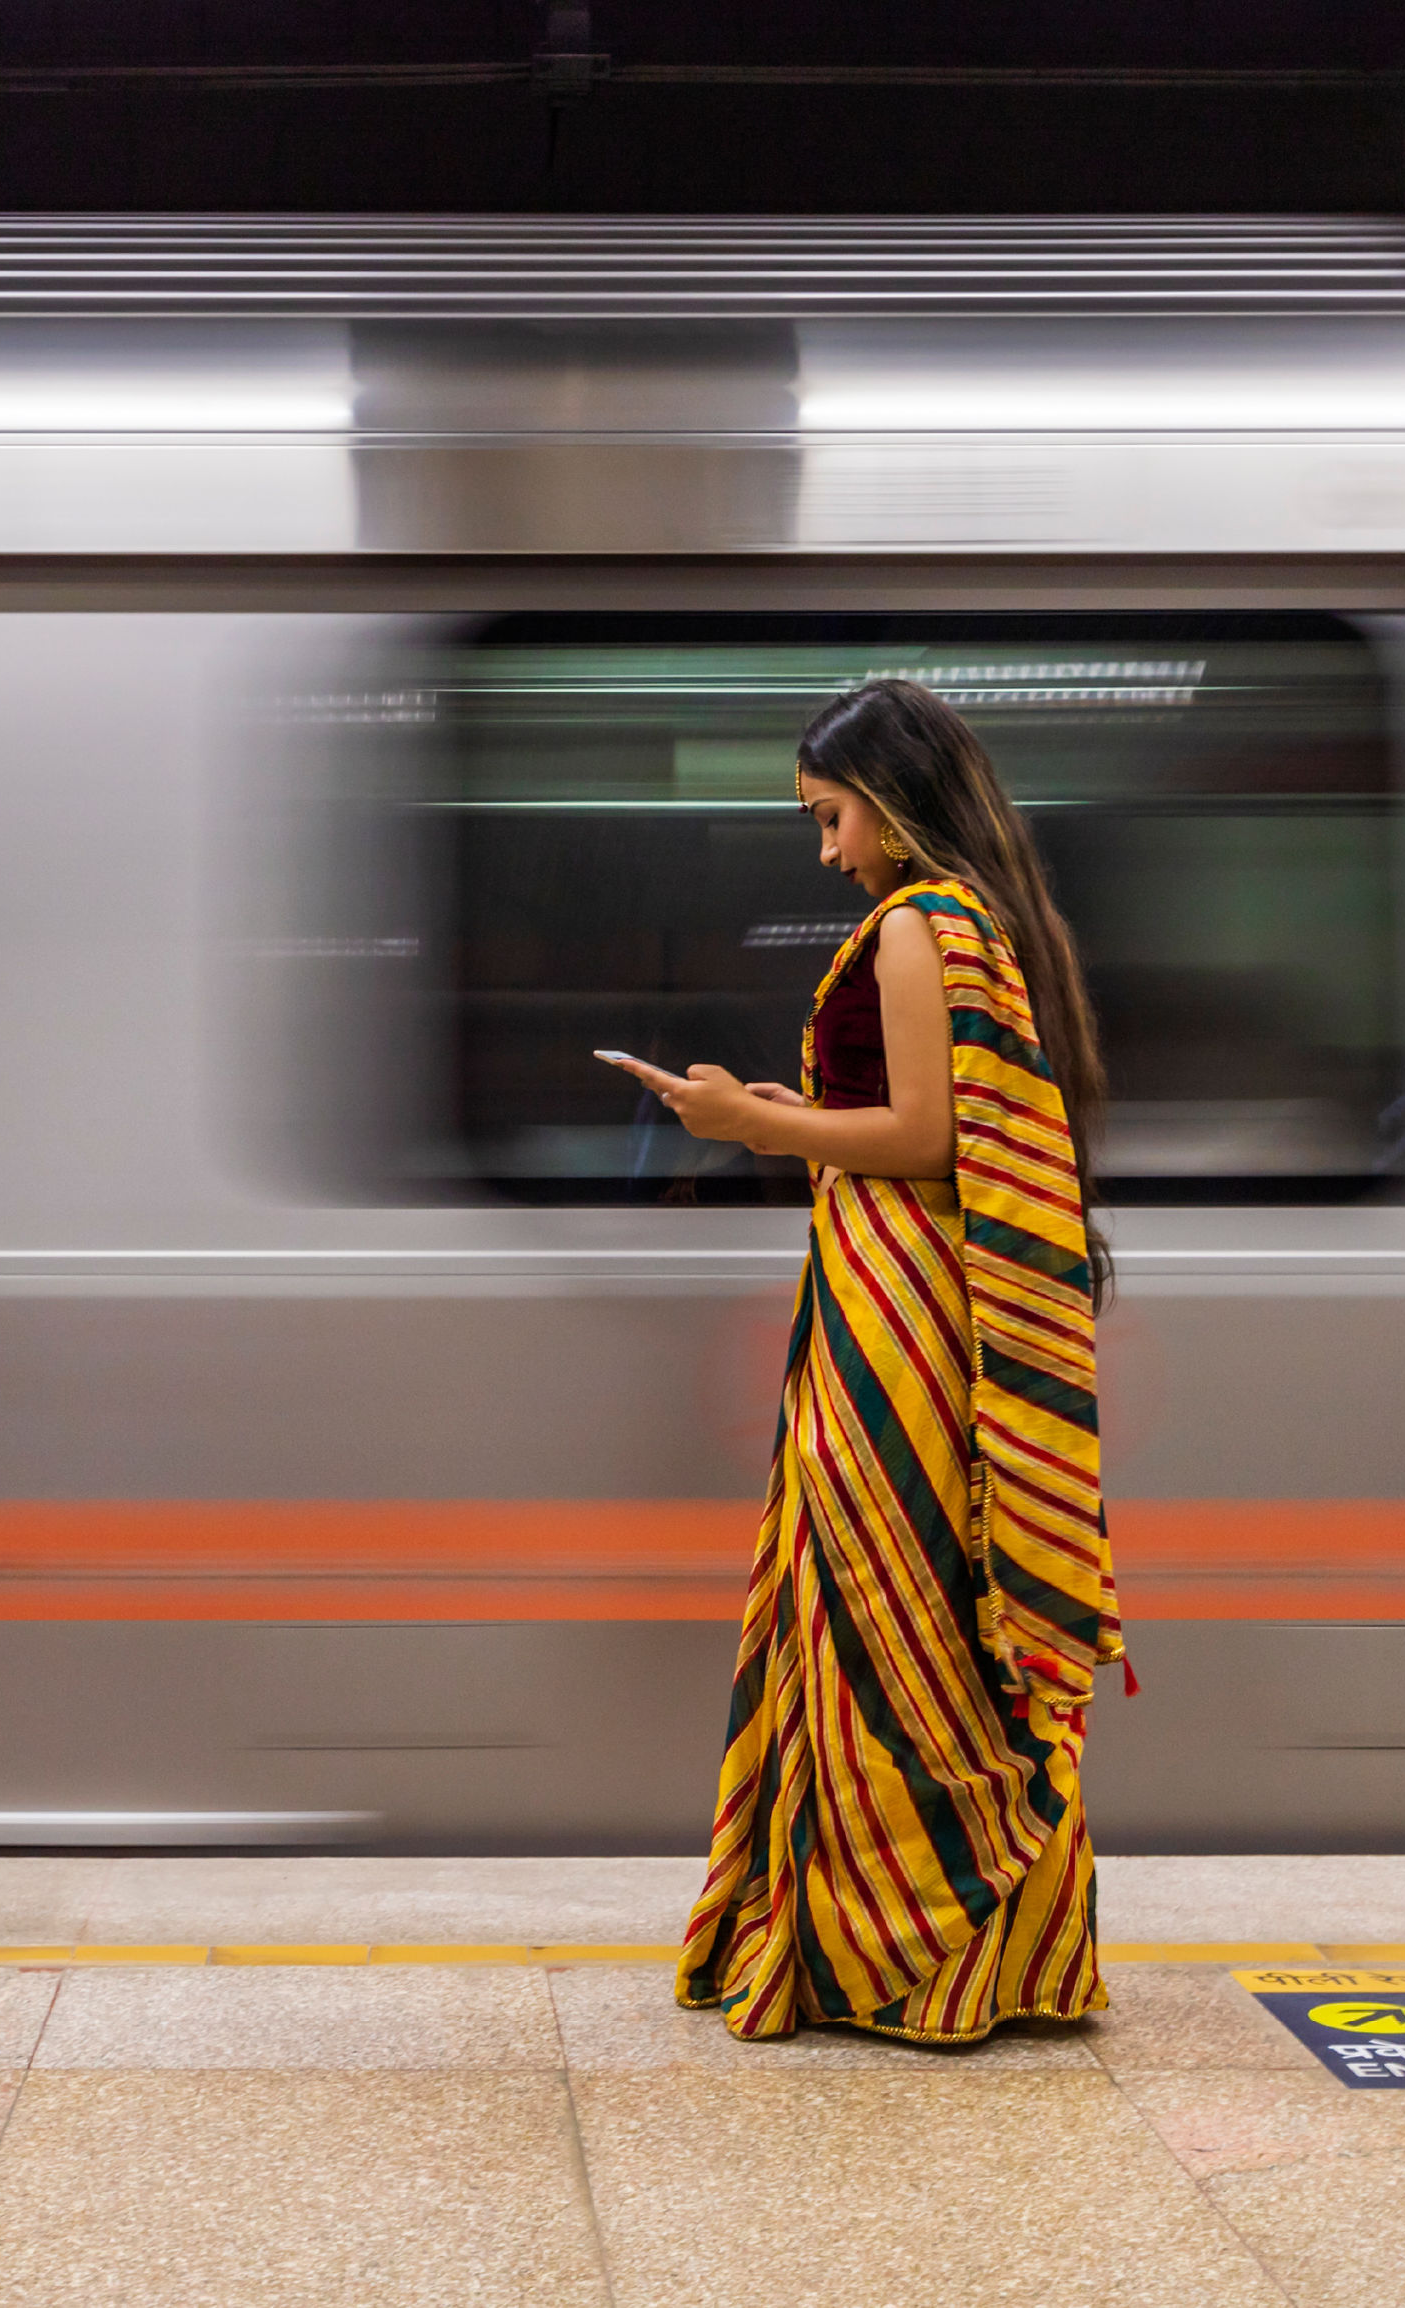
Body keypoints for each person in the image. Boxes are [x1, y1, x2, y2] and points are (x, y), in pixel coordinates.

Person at [601, 677, 1126, 2044]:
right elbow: (914, 1118)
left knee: (872, 1602)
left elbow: (926, 1143)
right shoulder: (981, 927)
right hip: (910, 1294)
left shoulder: (915, 927)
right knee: (926, 1603)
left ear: (889, 806)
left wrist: (755, 1128)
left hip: (892, 1305)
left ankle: (891, 1944)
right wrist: (788, 1112)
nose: (824, 849)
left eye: (830, 817)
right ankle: (981, 1953)